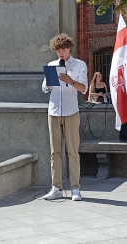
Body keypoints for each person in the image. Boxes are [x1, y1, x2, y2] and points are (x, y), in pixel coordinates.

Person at [40, 33, 87, 201]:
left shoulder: (79, 64)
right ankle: (56, 187)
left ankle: (75, 188)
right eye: (57, 50)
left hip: (71, 111)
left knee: (73, 151)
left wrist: (70, 80)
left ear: (69, 48)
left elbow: (83, 88)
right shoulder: (51, 65)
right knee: (55, 152)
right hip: (53, 111)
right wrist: (49, 83)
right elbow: (44, 88)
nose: (60, 53)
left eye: (63, 49)